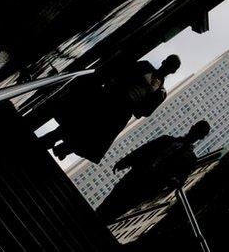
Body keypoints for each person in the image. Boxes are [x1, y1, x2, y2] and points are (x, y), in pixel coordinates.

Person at [39, 55, 181, 163]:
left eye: (172, 67)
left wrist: (134, 104)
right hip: (110, 99)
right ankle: (53, 141)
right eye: (169, 63)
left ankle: (62, 147)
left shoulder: (160, 92)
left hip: (121, 113)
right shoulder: (145, 66)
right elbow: (122, 73)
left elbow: (146, 111)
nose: (168, 67)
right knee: (80, 122)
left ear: (173, 71)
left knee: (93, 134)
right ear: (164, 62)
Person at [95, 120, 211, 223]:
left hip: (147, 187)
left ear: (200, 137)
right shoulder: (166, 140)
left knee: (118, 208)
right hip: (135, 176)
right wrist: (126, 161)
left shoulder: (190, 159)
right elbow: (144, 150)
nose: (195, 134)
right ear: (192, 128)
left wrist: (173, 181)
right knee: (112, 200)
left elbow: (181, 178)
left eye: (199, 133)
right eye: (197, 130)